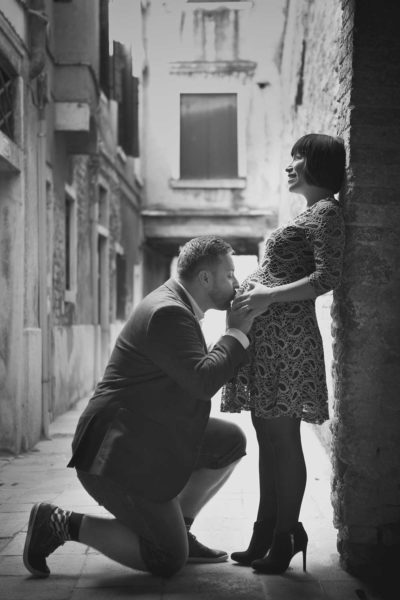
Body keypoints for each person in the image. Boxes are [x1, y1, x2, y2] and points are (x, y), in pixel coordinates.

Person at [23, 235, 254, 579]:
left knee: (229, 442)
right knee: (167, 558)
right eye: (230, 275)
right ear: (205, 278)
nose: (236, 283)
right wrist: (236, 333)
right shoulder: (168, 312)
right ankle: (58, 523)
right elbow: (202, 381)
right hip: (114, 453)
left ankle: (177, 528)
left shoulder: (178, 305)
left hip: (145, 434)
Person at [222, 133, 346, 574]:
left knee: (282, 441)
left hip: (289, 345)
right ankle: (266, 531)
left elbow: (326, 277)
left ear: (320, 166)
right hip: (269, 344)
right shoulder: (309, 214)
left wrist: (267, 296)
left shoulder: (327, 212)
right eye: (291, 156)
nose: (289, 165)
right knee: (267, 442)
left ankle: (286, 535)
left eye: (299, 157)